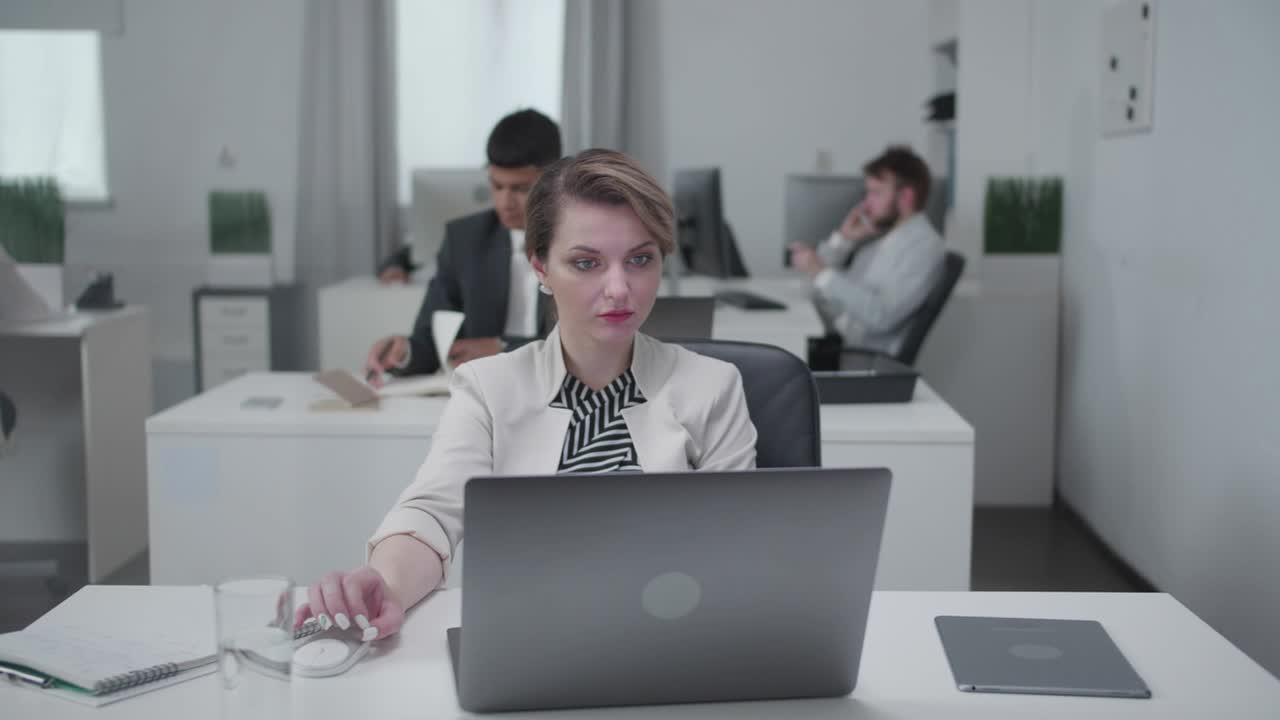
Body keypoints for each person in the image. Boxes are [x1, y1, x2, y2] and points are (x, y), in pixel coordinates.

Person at [297, 150, 758, 641]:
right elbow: (432, 512)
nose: (620, 289)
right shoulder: (489, 388)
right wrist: (387, 584)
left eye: (641, 259)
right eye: (586, 263)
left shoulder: (713, 386)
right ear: (540, 267)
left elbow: (735, 548)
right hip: (530, 639)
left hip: (674, 639)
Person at [366, 109, 562, 384]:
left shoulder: (578, 243)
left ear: (554, 181)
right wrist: (404, 351)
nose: (505, 202)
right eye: (497, 186)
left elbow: (581, 347)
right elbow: (430, 339)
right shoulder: (464, 241)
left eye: (520, 189)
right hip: (484, 392)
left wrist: (502, 348)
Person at [788, 145, 945, 356]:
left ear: (906, 196)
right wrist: (843, 240)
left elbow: (881, 316)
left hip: (861, 360)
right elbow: (813, 290)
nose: (866, 203)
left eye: (876, 193)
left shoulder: (925, 247)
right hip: (838, 345)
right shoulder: (879, 244)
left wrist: (821, 272)